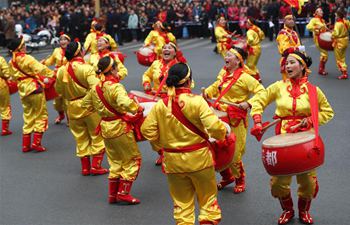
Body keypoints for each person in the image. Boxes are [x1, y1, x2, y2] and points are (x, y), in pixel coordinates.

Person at [250, 50, 334, 225]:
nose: (287, 66)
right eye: (286, 63)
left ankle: (304, 211)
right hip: (282, 142)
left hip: (305, 141)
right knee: (278, 182)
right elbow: (258, 100)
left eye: (292, 63)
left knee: (308, 182)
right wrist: (257, 121)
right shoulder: (278, 87)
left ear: (302, 66)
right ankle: (287, 210)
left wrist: (310, 120)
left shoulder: (313, 91)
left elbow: (327, 112)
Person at [141, 63, 227, 225]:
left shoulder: (161, 104)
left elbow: (147, 130)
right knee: (208, 201)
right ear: (188, 81)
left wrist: (163, 145)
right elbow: (215, 128)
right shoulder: (197, 101)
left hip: (173, 162)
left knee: (182, 205)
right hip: (200, 160)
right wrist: (223, 134)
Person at [82, 56, 142, 204]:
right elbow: (124, 102)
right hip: (119, 127)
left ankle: (112, 195)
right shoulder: (115, 87)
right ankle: (123, 193)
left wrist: (100, 109)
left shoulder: (96, 87)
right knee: (132, 159)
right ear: (113, 69)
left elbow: (85, 104)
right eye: (116, 68)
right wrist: (137, 107)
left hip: (105, 127)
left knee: (115, 162)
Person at [205, 47, 265, 194]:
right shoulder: (223, 72)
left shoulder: (245, 78)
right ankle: (227, 177)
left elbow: (262, 92)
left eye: (230, 55)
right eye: (226, 55)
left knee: (234, 152)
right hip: (220, 116)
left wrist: (249, 103)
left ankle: (240, 179)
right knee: (218, 148)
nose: (226, 57)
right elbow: (216, 86)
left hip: (236, 119)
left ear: (238, 60)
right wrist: (207, 93)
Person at [55, 41, 108, 176]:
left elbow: (58, 90)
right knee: (97, 135)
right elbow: (96, 88)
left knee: (80, 137)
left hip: (72, 107)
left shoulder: (61, 70)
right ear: (79, 52)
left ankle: (85, 168)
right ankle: (96, 166)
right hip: (89, 107)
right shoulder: (87, 68)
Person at [8, 37, 54, 152]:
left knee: (28, 116)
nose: (25, 46)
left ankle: (26, 145)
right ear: (20, 47)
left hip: (23, 89)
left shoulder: (11, 61)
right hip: (34, 87)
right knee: (40, 114)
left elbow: (12, 76)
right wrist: (52, 74)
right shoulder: (27, 58)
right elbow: (40, 69)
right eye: (23, 45)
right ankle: (36, 143)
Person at [41, 32, 71, 124]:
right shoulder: (56, 51)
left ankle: (70, 119)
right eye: (61, 39)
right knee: (57, 99)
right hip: (57, 76)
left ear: (69, 41)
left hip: (68, 75)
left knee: (67, 99)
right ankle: (61, 115)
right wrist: (43, 63)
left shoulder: (72, 50)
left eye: (65, 39)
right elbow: (51, 61)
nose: (62, 41)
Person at [276, 15, 302, 80]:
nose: (291, 21)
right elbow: (284, 50)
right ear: (284, 21)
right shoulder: (283, 33)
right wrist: (298, 49)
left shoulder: (294, 33)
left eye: (293, 19)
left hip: (297, 60)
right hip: (288, 60)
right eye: (289, 19)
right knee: (288, 83)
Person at [306, 8, 329, 76]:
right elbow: (308, 27)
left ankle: (322, 69)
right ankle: (321, 70)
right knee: (324, 54)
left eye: (322, 11)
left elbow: (324, 28)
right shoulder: (314, 20)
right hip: (318, 38)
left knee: (325, 55)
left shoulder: (322, 20)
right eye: (320, 11)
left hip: (323, 38)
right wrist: (316, 28)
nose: (322, 12)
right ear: (316, 12)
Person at [332, 9, 349, 80]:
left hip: (339, 42)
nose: (335, 17)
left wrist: (331, 34)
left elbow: (335, 34)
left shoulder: (338, 24)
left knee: (339, 59)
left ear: (338, 16)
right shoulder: (346, 21)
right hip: (345, 41)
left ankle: (344, 73)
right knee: (343, 57)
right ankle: (344, 71)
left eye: (336, 15)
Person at [246, 18, 265, 82]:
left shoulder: (250, 31)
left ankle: (255, 77)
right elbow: (262, 37)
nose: (246, 24)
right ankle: (257, 77)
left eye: (247, 23)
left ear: (250, 23)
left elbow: (250, 39)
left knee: (250, 64)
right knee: (253, 64)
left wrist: (248, 43)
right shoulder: (257, 29)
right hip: (258, 47)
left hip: (253, 49)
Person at [0, 55, 12, 136]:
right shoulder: (0, 59)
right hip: (1, 85)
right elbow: (6, 73)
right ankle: (5, 129)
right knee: (5, 106)